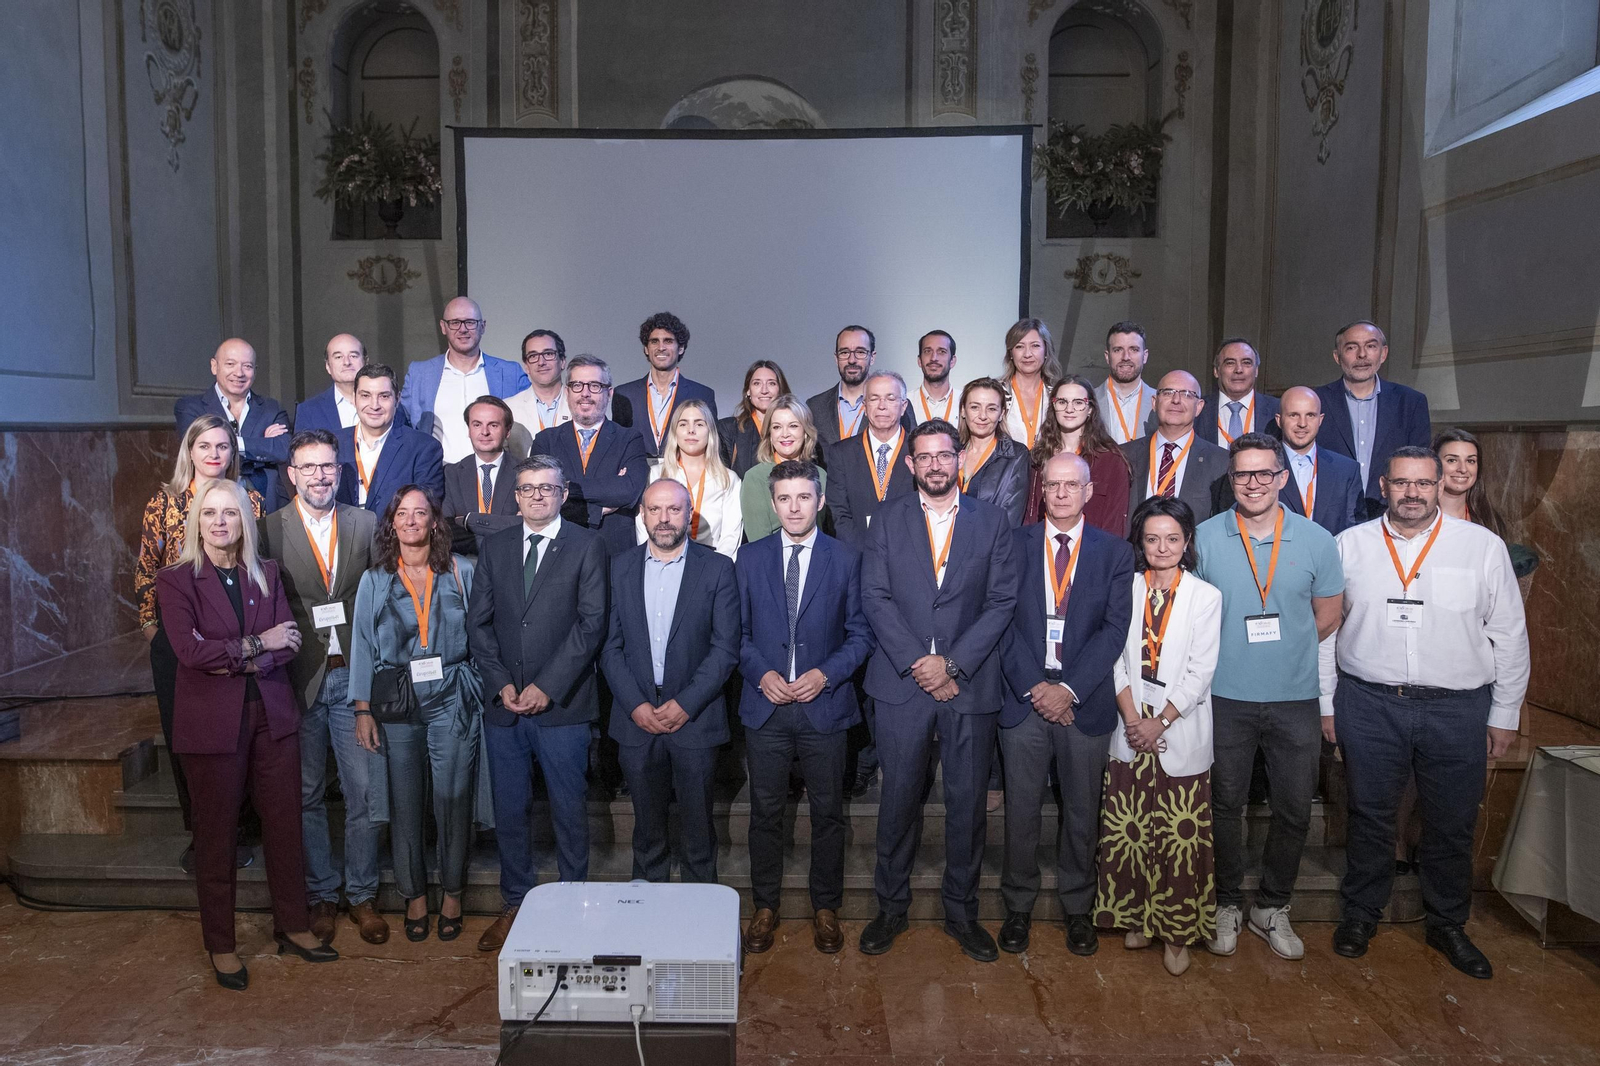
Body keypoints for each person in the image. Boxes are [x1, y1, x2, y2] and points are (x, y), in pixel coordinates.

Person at [1323, 447, 1529, 978]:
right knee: (1369, 814)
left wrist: (1505, 712)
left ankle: (1447, 924)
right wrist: (1327, 703)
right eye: (1400, 483)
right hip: (1370, 702)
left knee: (1452, 821)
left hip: (1457, 708)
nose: (1411, 493)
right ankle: (1361, 914)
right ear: (1383, 486)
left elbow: (1509, 633)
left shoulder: (1481, 548)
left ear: (1441, 486)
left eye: (1422, 483)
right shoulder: (1350, 546)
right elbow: (1325, 633)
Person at [155, 479, 336, 989]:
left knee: (285, 826)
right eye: (209, 514)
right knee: (216, 838)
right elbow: (190, 655)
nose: (219, 523)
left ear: (244, 521)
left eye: (229, 514)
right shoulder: (176, 581)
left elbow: (290, 644)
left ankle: (294, 925)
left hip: (272, 716)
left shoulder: (268, 573)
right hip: (212, 726)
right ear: (197, 522)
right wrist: (257, 644)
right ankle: (222, 944)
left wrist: (238, 655)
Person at [858, 419, 1018, 962]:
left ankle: (961, 913)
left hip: (968, 686)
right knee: (897, 802)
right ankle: (890, 909)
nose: (933, 465)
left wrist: (951, 664)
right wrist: (918, 663)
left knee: (967, 806)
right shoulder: (885, 520)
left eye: (943, 456)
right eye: (923, 457)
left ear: (959, 460)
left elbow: (1001, 603)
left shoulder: (993, 522)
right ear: (909, 464)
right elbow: (875, 596)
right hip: (901, 684)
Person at [1194, 433, 1343, 962]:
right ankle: (1227, 902)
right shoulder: (1206, 538)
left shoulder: (1318, 540)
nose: (1253, 483)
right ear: (1230, 480)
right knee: (1224, 805)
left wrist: (1287, 652)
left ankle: (1273, 904)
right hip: (1225, 697)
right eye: (1242, 474)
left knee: (1294, 808)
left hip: (1294, 698)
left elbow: (1328, 614)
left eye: (1264, 474)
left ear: (1282, 477)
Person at [467, 456, 609, 953]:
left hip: (562, 707)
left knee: (569, 811)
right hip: (505, 706)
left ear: (563, 493)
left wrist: (547, 686)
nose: (536, 497)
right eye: (527, 490)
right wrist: (501, 681)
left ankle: (573, 906)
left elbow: (592, 625)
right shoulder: (497, 546)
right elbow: (477, 624)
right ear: (516, 495)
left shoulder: (588, 545)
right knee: (510, 811)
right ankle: (515, 904)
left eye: (546, 489)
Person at [996, 453, 1135, 957]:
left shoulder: (1115, 552)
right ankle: (1018, 906)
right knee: (1022, 811)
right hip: (1024, 700)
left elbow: (1114, 630)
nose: (1060, 494)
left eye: (1070, 486)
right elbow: (1001, 620)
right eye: (1052, 485)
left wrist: (1068, 689)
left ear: (1088, 491)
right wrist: (1036, 686)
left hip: (1084, 702)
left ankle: (1079, 908)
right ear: (1041, 491)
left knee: (1082, 812)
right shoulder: (1013, 545)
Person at [735, 460, 875, 955]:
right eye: (785, 499)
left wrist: (825, 674)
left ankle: (825, 906)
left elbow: (860, 635)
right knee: (766, 812)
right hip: (766, 706)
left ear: (819, 501)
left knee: (828, 813)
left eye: (803, 497)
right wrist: (762, 674)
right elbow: (739, 635)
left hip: (825, 706)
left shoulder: (846, 558)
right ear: (773, 505)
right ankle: (765, 906)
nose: (794, 507)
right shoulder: (749, 559)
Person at [257, 430, 386, 946]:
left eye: (328, 466)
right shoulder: (267, 529)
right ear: (291, 474)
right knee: (307, 795)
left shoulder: (365, 523)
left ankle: (362, 896)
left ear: (340, 471)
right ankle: (321, 895)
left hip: (355, 678)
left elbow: (379, 594)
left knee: (363, 792)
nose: (319, 475)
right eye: (308, 467)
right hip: (299, 679)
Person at [1093, 496, 1222, 977]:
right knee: (1131, 831)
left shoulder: (1205, 597)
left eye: (1172, 539)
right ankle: (1137, 918)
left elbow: (1200, 671)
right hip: (1129, 727)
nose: (1162, 547)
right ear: (1139, 542)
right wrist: (1132, 719)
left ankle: (1177, 932)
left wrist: (1160, 721)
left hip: (1178, 728)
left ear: (1187, 542)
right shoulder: (1122, 588)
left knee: (1179, 837)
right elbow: (1115, 659)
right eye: (1152, 539)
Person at [349, 487, 483, 943]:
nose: (410, 521)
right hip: (396, 699)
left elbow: (482, 636)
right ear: (391, 524)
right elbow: (363, 647)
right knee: (406, 804)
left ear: (433, 522)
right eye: (402, 514)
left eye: (419, 513)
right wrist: (362, 708)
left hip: (452, 695)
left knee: (453, 798)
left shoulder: (462, 571)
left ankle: (452, 893)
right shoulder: (375, 579)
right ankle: (414, 896)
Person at [136, 415, 265, 871]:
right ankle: (202, 834)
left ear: (233, 453)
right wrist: (160, 635)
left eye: (223, 446)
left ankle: (241, 831)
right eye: (204, 445)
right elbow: (146, 575)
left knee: (238, 736)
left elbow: (258, 564)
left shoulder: (248, 499)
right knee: (186, 740)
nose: (214, 454)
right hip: (177, 645)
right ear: (188, 451)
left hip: (236, 641)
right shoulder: (165, 503)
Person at [601, 480, 740, 883]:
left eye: (674, 510)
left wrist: (686, 704)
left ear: (689, 514)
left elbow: (725, 648)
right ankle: (647, 920)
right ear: (641, 515)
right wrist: (635, 705)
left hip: (695, 717)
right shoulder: (620, 567)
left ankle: (699, 925)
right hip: (636, 718)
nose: (664, 519)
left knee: (698, 832)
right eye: (655, 510)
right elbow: (610, 647)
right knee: (646, 833)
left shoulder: (717, 568)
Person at [529, 355, 649, 556]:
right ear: (567, 392)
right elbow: (540, 498)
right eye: (577, 385)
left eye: (594, 385)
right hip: (558, 552)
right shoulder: (546, 441)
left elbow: (627, 491)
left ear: (609, 393)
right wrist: (597, 509)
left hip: (613, 554)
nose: (585, 393)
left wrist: (562, 488)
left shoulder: (629, 439)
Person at [1313, 320, 1431, 508]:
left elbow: (1421, 465)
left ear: (1383, 353)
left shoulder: (1411, 402)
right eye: (1352, 347)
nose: (1362, 355)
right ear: (1337, 356)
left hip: (1390, 512)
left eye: (1370, 346)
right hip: (1330, 512)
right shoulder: (1316, 401)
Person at [399, 296, 530, 464]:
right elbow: (402, 426)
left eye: (470, 322)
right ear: (443, 327)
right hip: (439, 476)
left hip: (496, 477)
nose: (462, 329)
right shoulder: (420, 373)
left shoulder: (510, 373)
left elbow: (528, 421)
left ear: (482, 326)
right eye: (455, 322)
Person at [174, 338, 291, 512]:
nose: (239, 373)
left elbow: (283, 450)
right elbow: (196, 450)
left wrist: (230, 444)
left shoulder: (271, 408)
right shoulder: (191, 408)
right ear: (214, 366)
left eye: (247, 366)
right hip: (209, 504)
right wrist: (262, 445)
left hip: (269, 504)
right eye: (230, 364)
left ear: (255, 371)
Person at [1025, 374, 1134, 535]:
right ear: (1053, 407)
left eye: (1078, 403)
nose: (1069, 409)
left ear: (1090, 409)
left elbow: (1115, 522)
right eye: (1062, 402)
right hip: (1044, 550)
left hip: (1093, 553)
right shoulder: (1038, 457)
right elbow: (1031, 515)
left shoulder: (1111, 461)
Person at [336, 363, 445, 515]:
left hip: (395, 537)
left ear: (397, 399)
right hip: (343, 537)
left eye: (384, 396)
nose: (374, 405)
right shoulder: (333, 444)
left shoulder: (423, 448)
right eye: (365, 396)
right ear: (354, 399)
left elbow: (425, 510)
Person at [638, 399, 742, 558]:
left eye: (699, 424)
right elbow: (643, 525)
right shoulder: (656, 474)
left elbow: (731, 537)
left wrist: (717, 570)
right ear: (675, 432)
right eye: (683, 424)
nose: (691, 430)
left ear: (710, 431)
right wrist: (653, 560)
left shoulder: (728, 479)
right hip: (662, 559)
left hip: (711, 562)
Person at [1123, 370, 1230, 523]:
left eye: (1187, 394)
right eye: (1168, 393)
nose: (1176, 400)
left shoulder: (1221, 461)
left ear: (1199, 407)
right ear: (1154, 402)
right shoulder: (1124, 455)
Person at [826, 371, 918, 549]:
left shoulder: (919, 452)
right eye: (874, 399)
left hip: (908, 557)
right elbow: (838, 514)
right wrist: (866, 553)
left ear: (904, 406)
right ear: (864, 406)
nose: (882, 406)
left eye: (890, 399)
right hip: (856, 558)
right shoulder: (841, 453)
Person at [613, 311, 719, 457]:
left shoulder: (702, 394)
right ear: (646, 348)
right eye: (654, 341)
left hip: (683, 476)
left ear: (680, 348)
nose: (661, 347)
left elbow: (710, 447)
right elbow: (618, 446)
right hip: (638, 475)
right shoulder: (624, 394)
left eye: (668, 341)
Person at [806, 326, 914, 461]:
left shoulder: (896, 404)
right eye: (844, 352)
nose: (852, 360)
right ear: (836, 358)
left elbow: (911, 449)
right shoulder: (815, 406)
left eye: (860, 352)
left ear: (872, 357)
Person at [740, 395, 831, 543]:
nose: (785, 434)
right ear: (769, 434)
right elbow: (759, 542)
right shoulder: (755, 478)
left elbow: (823, 531)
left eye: (793, 426)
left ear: (805, 431)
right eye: (777, 427)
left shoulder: (821, 475)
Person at [1277, 386, 1364, 535]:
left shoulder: (1346, 470)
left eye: (1310, 415)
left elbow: (1356, 531)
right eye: (1294, 415)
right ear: (1279, 420)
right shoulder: (1263, 468)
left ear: (1320, 419)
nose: (1302, 423)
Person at [442, 396, 521, 555]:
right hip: (467, 566)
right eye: (477, 424)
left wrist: (467, 521)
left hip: (513, 562)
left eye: (493, 425)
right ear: (469, 430)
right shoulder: (451, 474)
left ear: (507, 431)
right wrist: (504, 525)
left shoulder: (526, 473)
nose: (484, 432)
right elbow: (446, 531)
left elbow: (526, 526)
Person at [295, 333, 411, 435]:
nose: (346, 362)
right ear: (328, 366)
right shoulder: (308, 411)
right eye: (338, 357)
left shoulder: (389, 405)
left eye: (353, 356)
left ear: (366, 361)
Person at [956, 377, 1029, 526]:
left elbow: (1010, 520)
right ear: (963, 410)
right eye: (975, 407)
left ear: (1002, 413)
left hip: (990, 545)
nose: (982, 416)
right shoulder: (951, 450)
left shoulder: (1016, 455)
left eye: (991, 409)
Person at [1197, 339, 1281, 447]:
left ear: (1256, 371)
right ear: (1216, 371)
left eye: (1246, 363)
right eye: (1230, 363)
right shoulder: (1197, 410)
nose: (1239, 370)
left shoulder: (1277, 409)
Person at [505, 329, 571, 457]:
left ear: (562, 361)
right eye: (533, 356)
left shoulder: (581, 404)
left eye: (548, 354)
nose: (541, 362)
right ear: (526, 366)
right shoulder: (508, 408)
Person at [719, 360, 790, 477]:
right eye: (757, 383)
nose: (764, 390)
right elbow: (722, 480)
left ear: (781, 390)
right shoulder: (728, 429)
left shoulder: (795, 430)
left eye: (771, 383)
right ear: (748, 391)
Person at [1094, 322, 1160, 446]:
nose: (1126, 357)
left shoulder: (1161, 402)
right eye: (1118, 350)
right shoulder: (1089, 400)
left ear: (1145, 356)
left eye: (1134, 350)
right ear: (1107, 357)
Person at [1433, 428, 1505, 538]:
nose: (1462, 469)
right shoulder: (1418, 516)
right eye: (1452, 460)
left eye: (1470, 461)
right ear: (1433, 464)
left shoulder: (1489, 519)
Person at [1000, 318, 1059, 450]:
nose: (1027, 354)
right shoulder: (996, 393)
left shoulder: (1057, 396)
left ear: (1046, 351)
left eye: (1035, 346)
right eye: (1019, 346)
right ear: (1011, 353)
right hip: (1007, 469)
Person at [912, 330, 959, 425]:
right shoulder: (905, 403)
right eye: (927, 351)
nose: (934, 358)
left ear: (952, 361)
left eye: (942, 351)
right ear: (919, 361)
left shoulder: (965, 403)